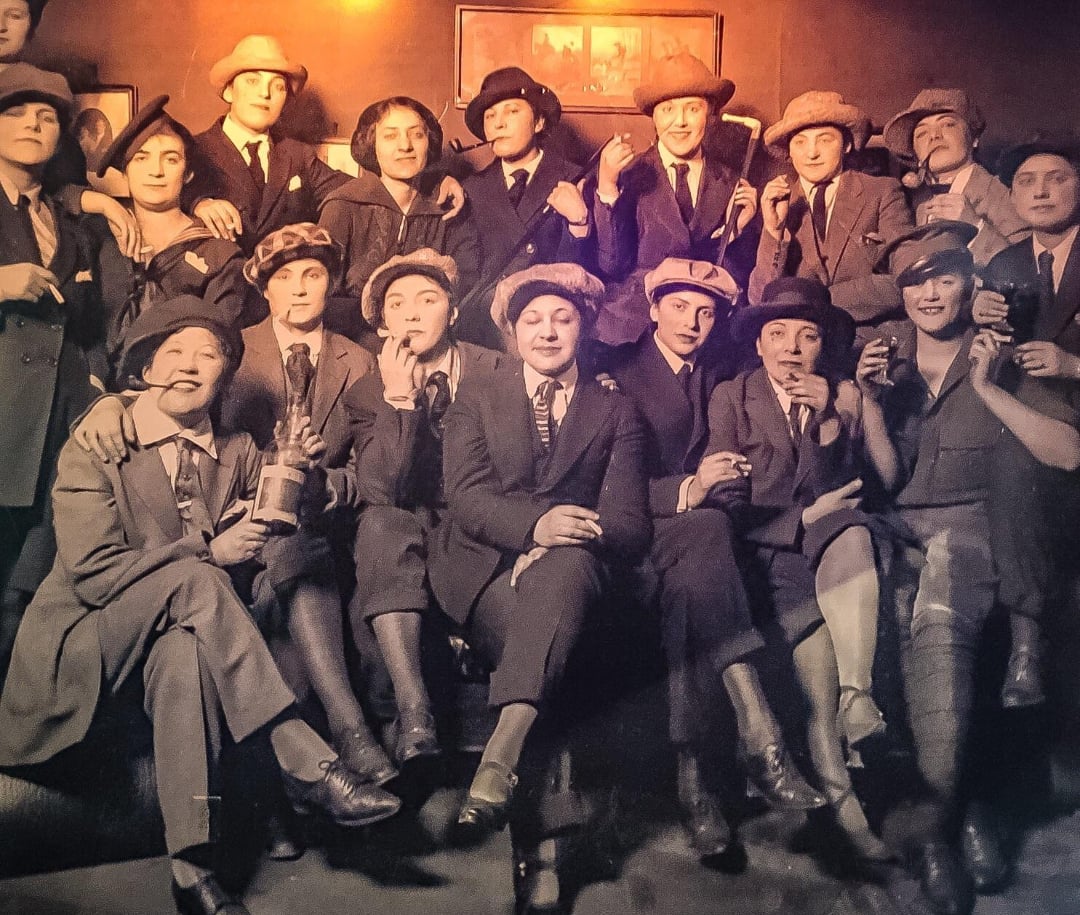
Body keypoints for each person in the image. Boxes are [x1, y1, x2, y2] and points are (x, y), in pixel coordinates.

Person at [0, 295, 400, 915]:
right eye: (174, 351)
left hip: (176, 641)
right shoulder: (100, 441)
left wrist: (300, 479)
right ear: (145, 369)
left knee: (186, 649)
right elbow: (94, 574)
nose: (189, 365)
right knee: (198, 578)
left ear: (224, 376)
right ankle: (306, 759)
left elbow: (273, 522)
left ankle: (192, 869)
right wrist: (210, 549)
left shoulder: (238, 451)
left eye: (207, 354)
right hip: (86, 640)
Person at [859, 221, 1080, 915]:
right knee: (882, 614)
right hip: (898, 529)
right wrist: (866, 401)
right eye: (916, 283)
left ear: (970, 287)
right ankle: (965, 807)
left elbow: (1068, 453)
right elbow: (888, 479)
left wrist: (988, 387)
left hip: (973, 526)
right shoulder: (884, 364)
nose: (930, 293)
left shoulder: (1001, 358)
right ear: (902, 296)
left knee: (941, 611)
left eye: (945, 278)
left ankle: (936, 831)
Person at [428, 262, 650, 912]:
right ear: (512, 331)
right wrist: (534, 530)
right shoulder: (477, 395)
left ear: (582, 327)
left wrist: (560, 538)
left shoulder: (614, 408)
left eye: (562, 318)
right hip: (486, 572)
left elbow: (631, 524)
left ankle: (512, 790)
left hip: (573, 574)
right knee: (559, 634)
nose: (548, 331)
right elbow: (466, 498)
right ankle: (545, 851)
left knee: (563, 591)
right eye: (533, 320)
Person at [598, 257, 826, 865]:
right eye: (678, 306)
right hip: (631, 537)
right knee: (701, 543)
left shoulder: (724, 377)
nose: (692, 322)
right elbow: (596, 484)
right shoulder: (615, 376)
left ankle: (695, 781)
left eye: (706, 312)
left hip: (703, 540)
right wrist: (690, 491)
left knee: (697, 576)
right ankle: (759, 735)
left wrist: (725, 486)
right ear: (652, 311)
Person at [704, 276, 892, 863]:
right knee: (818, 687)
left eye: (806, 336)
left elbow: (866, 489)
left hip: (827, 555)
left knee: (854, 531)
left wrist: (837, 422)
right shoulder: (732, 397)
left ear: (822, 346)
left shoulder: (836, 396)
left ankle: (857, 727)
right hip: (765, 563)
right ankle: (845, 809)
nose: (790, 347)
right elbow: (726, 512)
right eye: (777, 334)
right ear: (758, 345)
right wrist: (804, 515)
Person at [344, 248, 503, 779]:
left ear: (453, 313)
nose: (412, 314)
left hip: (485, 525)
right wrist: (399, 400)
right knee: (381, 525)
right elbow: (381, 489)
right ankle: (415, 713)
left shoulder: (499, 369)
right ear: (383, 323)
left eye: (427, 300)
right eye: (397, 304)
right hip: (411, 524)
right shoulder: (370, 391)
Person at [185, 35, 463, 265]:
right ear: (229, 91)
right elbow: (154, 199)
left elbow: (366, 190)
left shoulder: (298, 156)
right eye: (252, 81)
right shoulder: (193, 149)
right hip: (218, 299)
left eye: (277, 86)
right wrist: (198, 202)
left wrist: (435, 181)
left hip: (288, 301)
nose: (265, 94)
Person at [0, 63, 104, 678]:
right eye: (15, 114)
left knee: (31, 575)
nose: (33, 127)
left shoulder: (72, 222)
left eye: (46, 119)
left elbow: (89, 326)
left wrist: (93, 388)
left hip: (60, 417)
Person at [974, 133, 1080, 709]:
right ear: (1012, 196)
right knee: (1012, 459)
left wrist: (1073, 364)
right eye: (1026, 182)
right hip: (1036, 431)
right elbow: (994, 346)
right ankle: (1024, 648)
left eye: (1056, 178)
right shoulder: (1007, 263)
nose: (1040, 192)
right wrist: (981, 324)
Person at [592, 51, 759, 345]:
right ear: (653, 118)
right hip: (637, 325)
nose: (680, 122)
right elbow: (612, 266)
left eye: (692, 109)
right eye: (668, 109)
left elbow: (739, 277)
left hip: (708, 329)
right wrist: (607, 187)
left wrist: (735, 234)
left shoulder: (734, 182)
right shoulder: (627, 176)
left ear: (710, 115)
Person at [91, 94, 247, 372]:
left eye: (171, 159)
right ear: (124, 172)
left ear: (187, 174)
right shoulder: (99, 241)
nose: (156, 171)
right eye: (141, 158)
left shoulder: (219, 255)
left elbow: (220, 349)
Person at [318, 96, 479, 344]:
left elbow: (466, 282)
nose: (405, 146)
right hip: (354, 342)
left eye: (417, 135)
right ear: (372, 144)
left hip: (433, 340)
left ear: (430, 143)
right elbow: (323, 291)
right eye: (390, 136)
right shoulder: (343, 205)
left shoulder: (449, 207)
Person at [753, 90, 913, 335]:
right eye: (800, 142)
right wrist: (773, 232)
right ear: (789, 151)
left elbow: (905, 281)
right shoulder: (774, 203)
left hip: (868, 342)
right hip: (798, 350)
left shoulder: (882, 192)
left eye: (825, 139)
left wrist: (816, 301)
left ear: (847, 145)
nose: (812, 152)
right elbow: (760, 299)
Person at [456, 66, 595, 350]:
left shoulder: (576, 180)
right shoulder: (469, 189)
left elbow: (588, 271)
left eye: (512, 112)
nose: (499, 123)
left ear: (539, 122)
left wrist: (579, 223)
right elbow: (465, 273)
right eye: (490, 116)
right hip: (484, 332)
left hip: (550, 328)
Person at [883, 89, 1029, 268]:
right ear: (915, 154)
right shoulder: (909, 204)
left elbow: (1025, 272)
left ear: (974, 139)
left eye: (948, 125)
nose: (934, 136)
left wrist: (976, 226)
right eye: (921, 133)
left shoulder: (1006, 195)